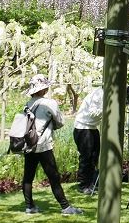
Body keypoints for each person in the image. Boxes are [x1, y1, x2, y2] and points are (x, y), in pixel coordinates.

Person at [21, 74, 83, 215]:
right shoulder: (50, 103)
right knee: (53, 176)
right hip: (43, 145)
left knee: (28, 176)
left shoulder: (28, 104)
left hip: (29, 144)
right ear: (44, 89)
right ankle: (65, 207)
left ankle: (29, 206)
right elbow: (60, 122)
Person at [73, 84, 104, 194]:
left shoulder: (105, 94)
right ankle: (83, 185)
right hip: (83, 127)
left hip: (92, 127)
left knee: (94, 157)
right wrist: (108, 108)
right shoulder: (98, 95)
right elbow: (92, 113)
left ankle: (91, 183)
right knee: (86, 158)